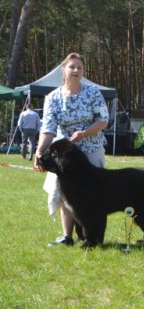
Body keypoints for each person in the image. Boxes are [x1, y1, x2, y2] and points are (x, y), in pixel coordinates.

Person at [33, 53, 109, 246]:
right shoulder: (52, 98)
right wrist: (39, 151)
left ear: (83, 72)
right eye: (72, 67)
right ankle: (67, 236)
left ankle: (91, 236)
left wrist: (84, 133)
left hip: (91, 147)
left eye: (79, 68)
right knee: (65, 192)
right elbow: (48, 129)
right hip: (63, 155)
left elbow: (103, 121)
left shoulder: (93, 93)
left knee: (91, 194)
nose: (76, 71)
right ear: (63, 70)